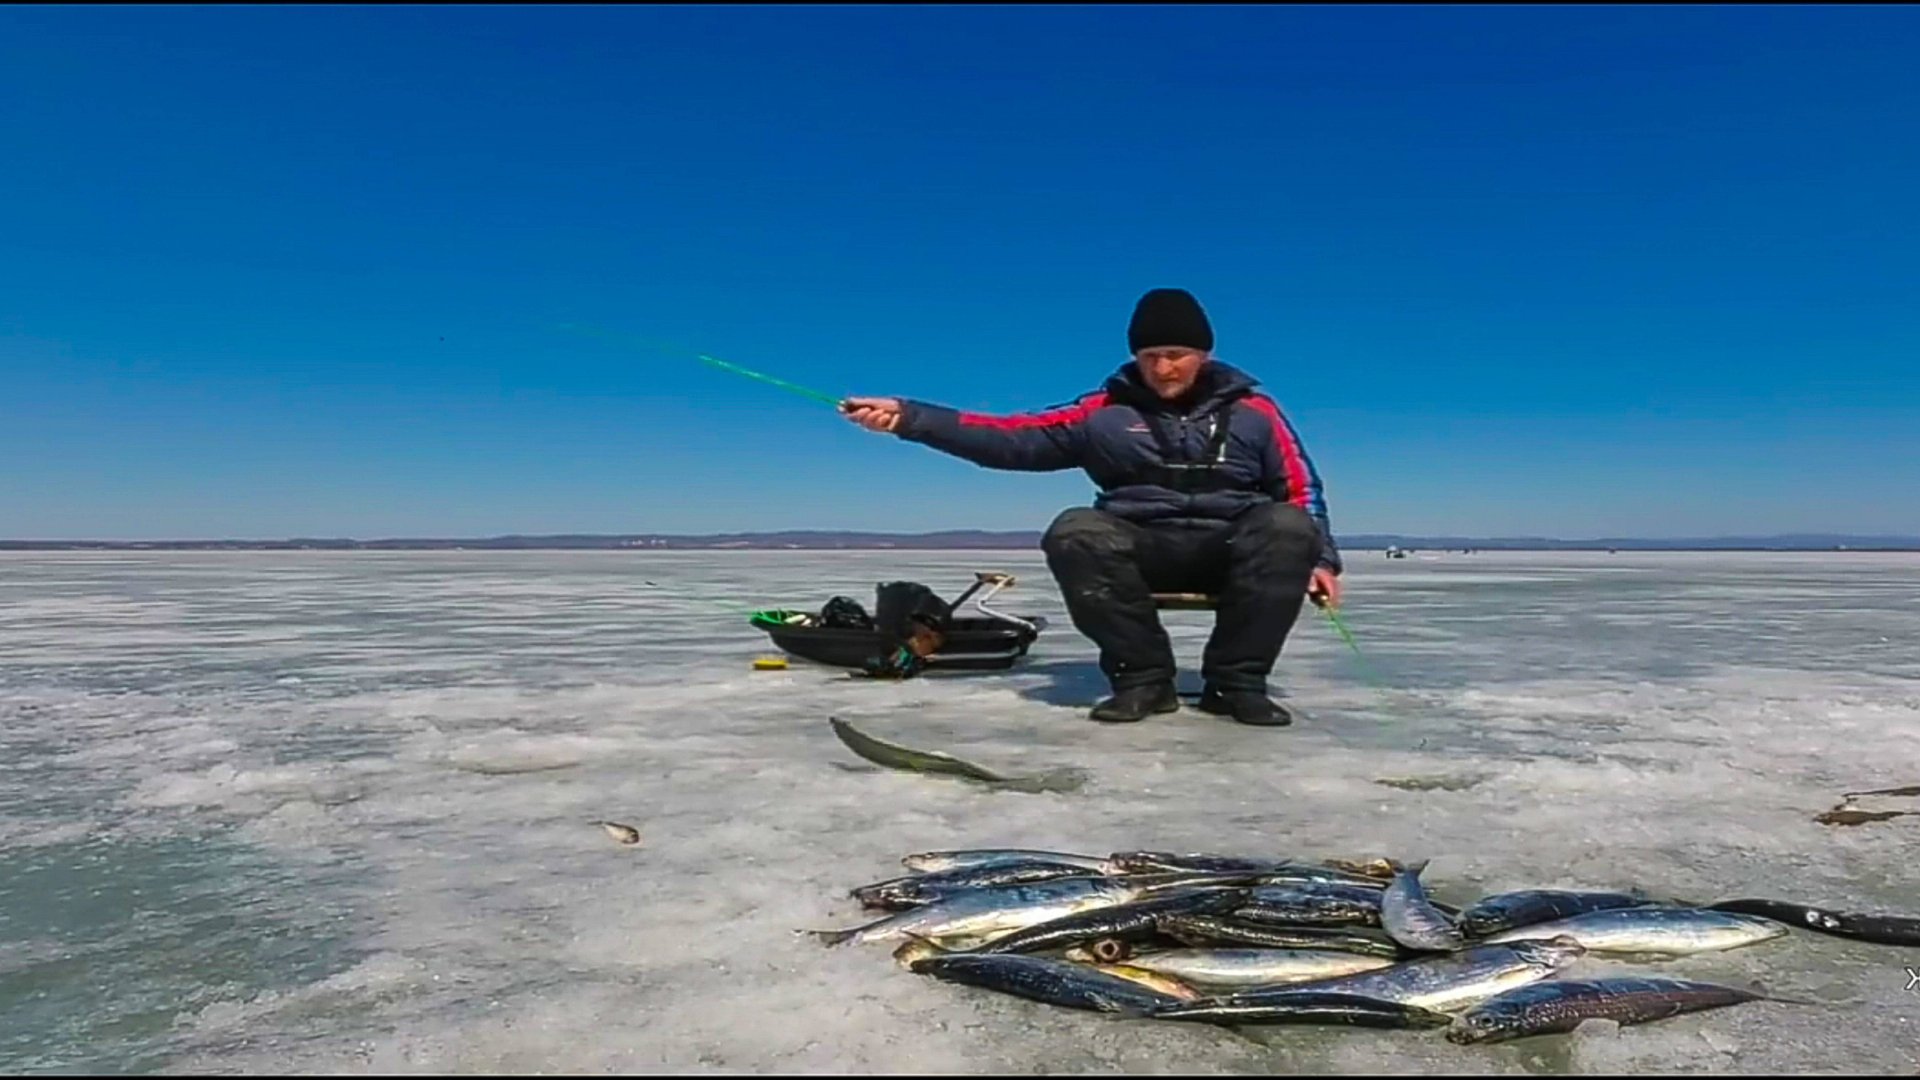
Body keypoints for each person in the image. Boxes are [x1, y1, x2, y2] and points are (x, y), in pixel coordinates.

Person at [841, 288, 1341, 727]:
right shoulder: (1102, 414)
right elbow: (1010, 438)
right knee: (1076, 529)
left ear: (1204, 354)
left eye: (1176, 354)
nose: (1163, 368)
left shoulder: (1256, 412)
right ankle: (1142, 679)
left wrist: (1321, 560)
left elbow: (1300, 486)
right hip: (1143, 547)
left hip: (1230, 548)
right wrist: (911, 418)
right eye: (1150, 355)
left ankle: (1237, 685)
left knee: (1289, 526)